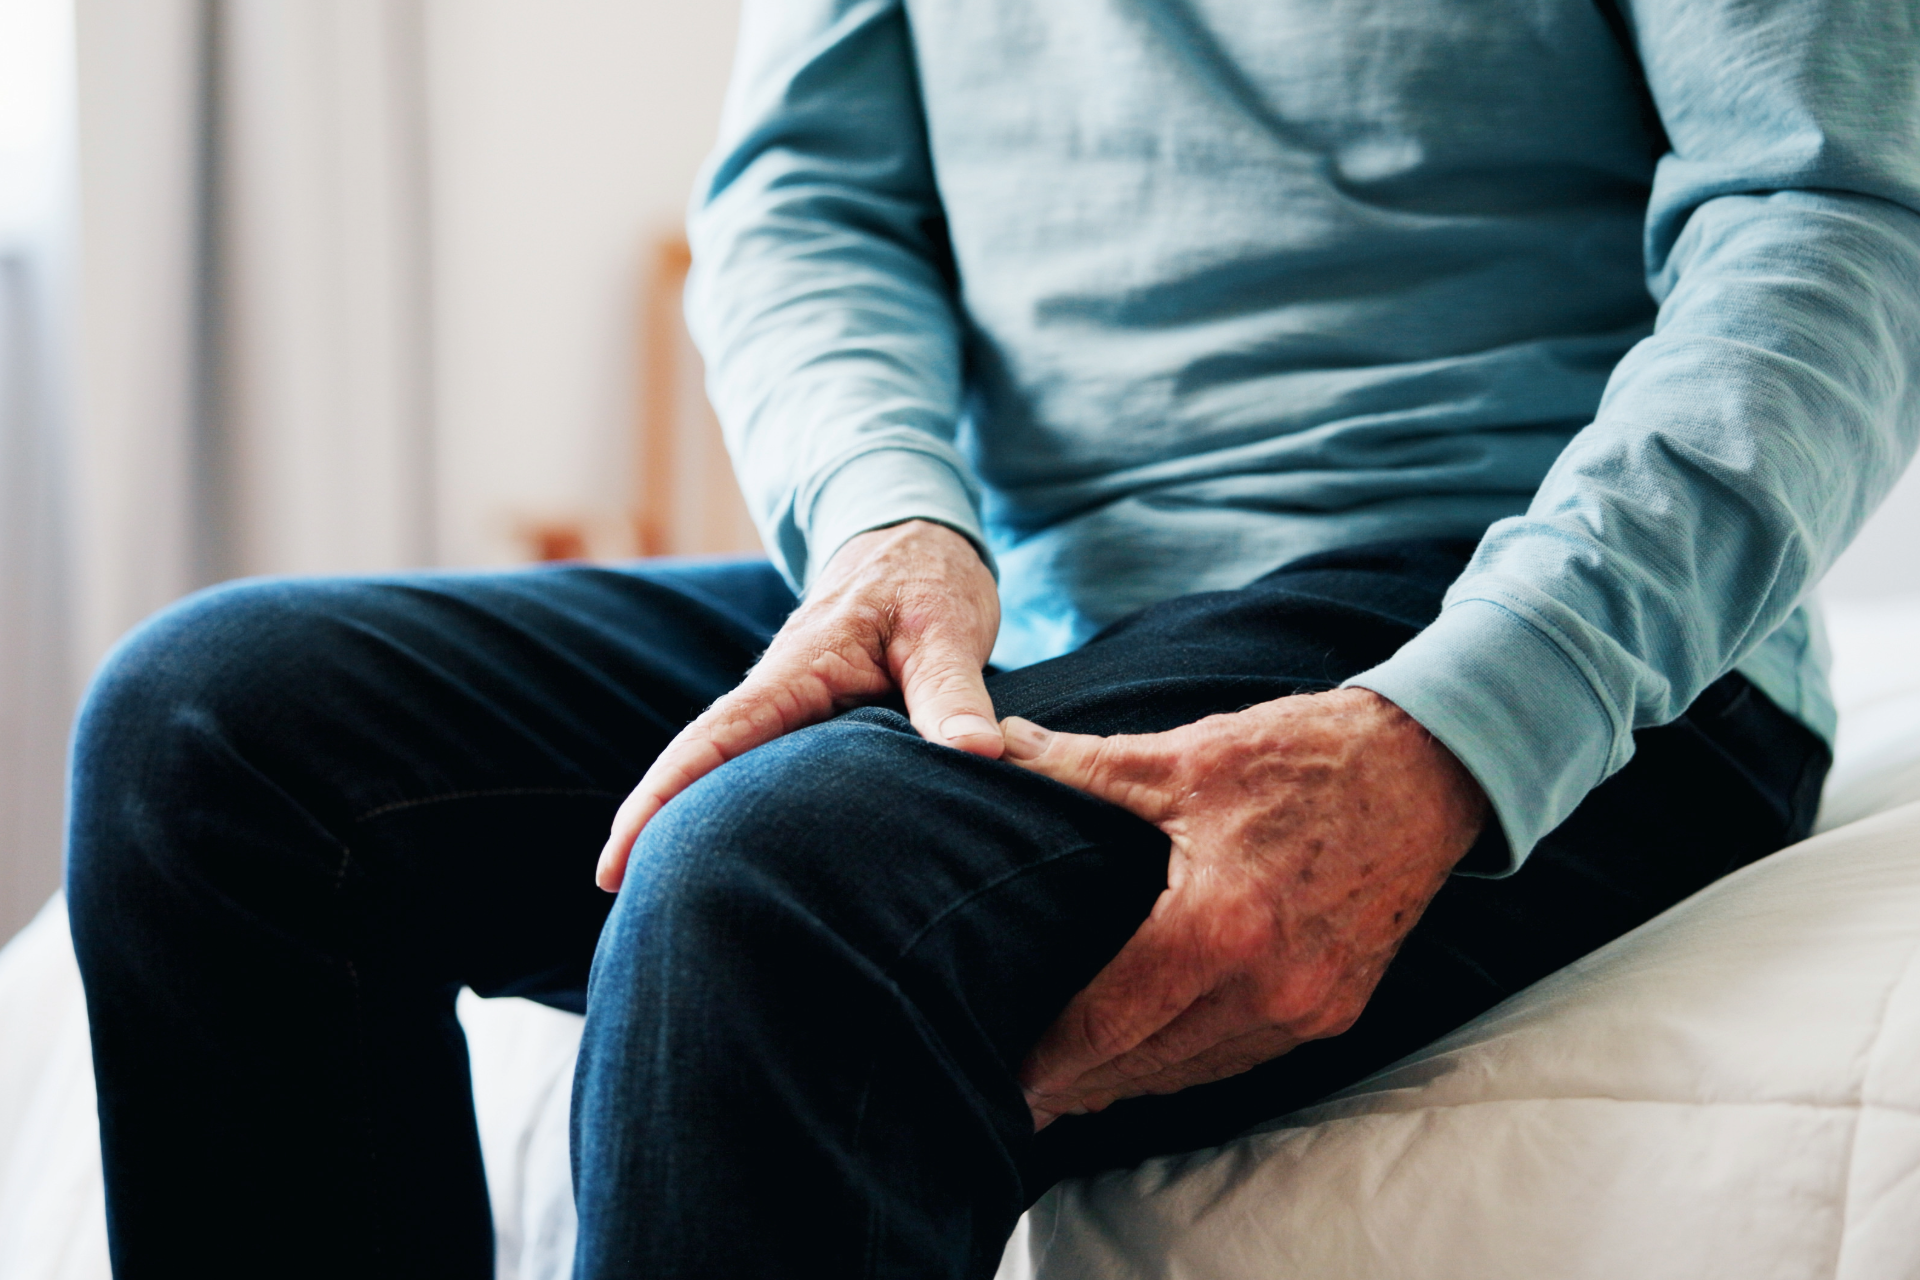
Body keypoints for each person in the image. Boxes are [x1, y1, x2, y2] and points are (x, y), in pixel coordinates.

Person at [68, 0, 1917, 1276]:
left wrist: (1467, 729)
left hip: (1500, 605)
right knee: (211, 737)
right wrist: (890, 525)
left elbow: (1829, 220)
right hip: (1047, 598)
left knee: (768, 881)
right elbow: (808, 197)